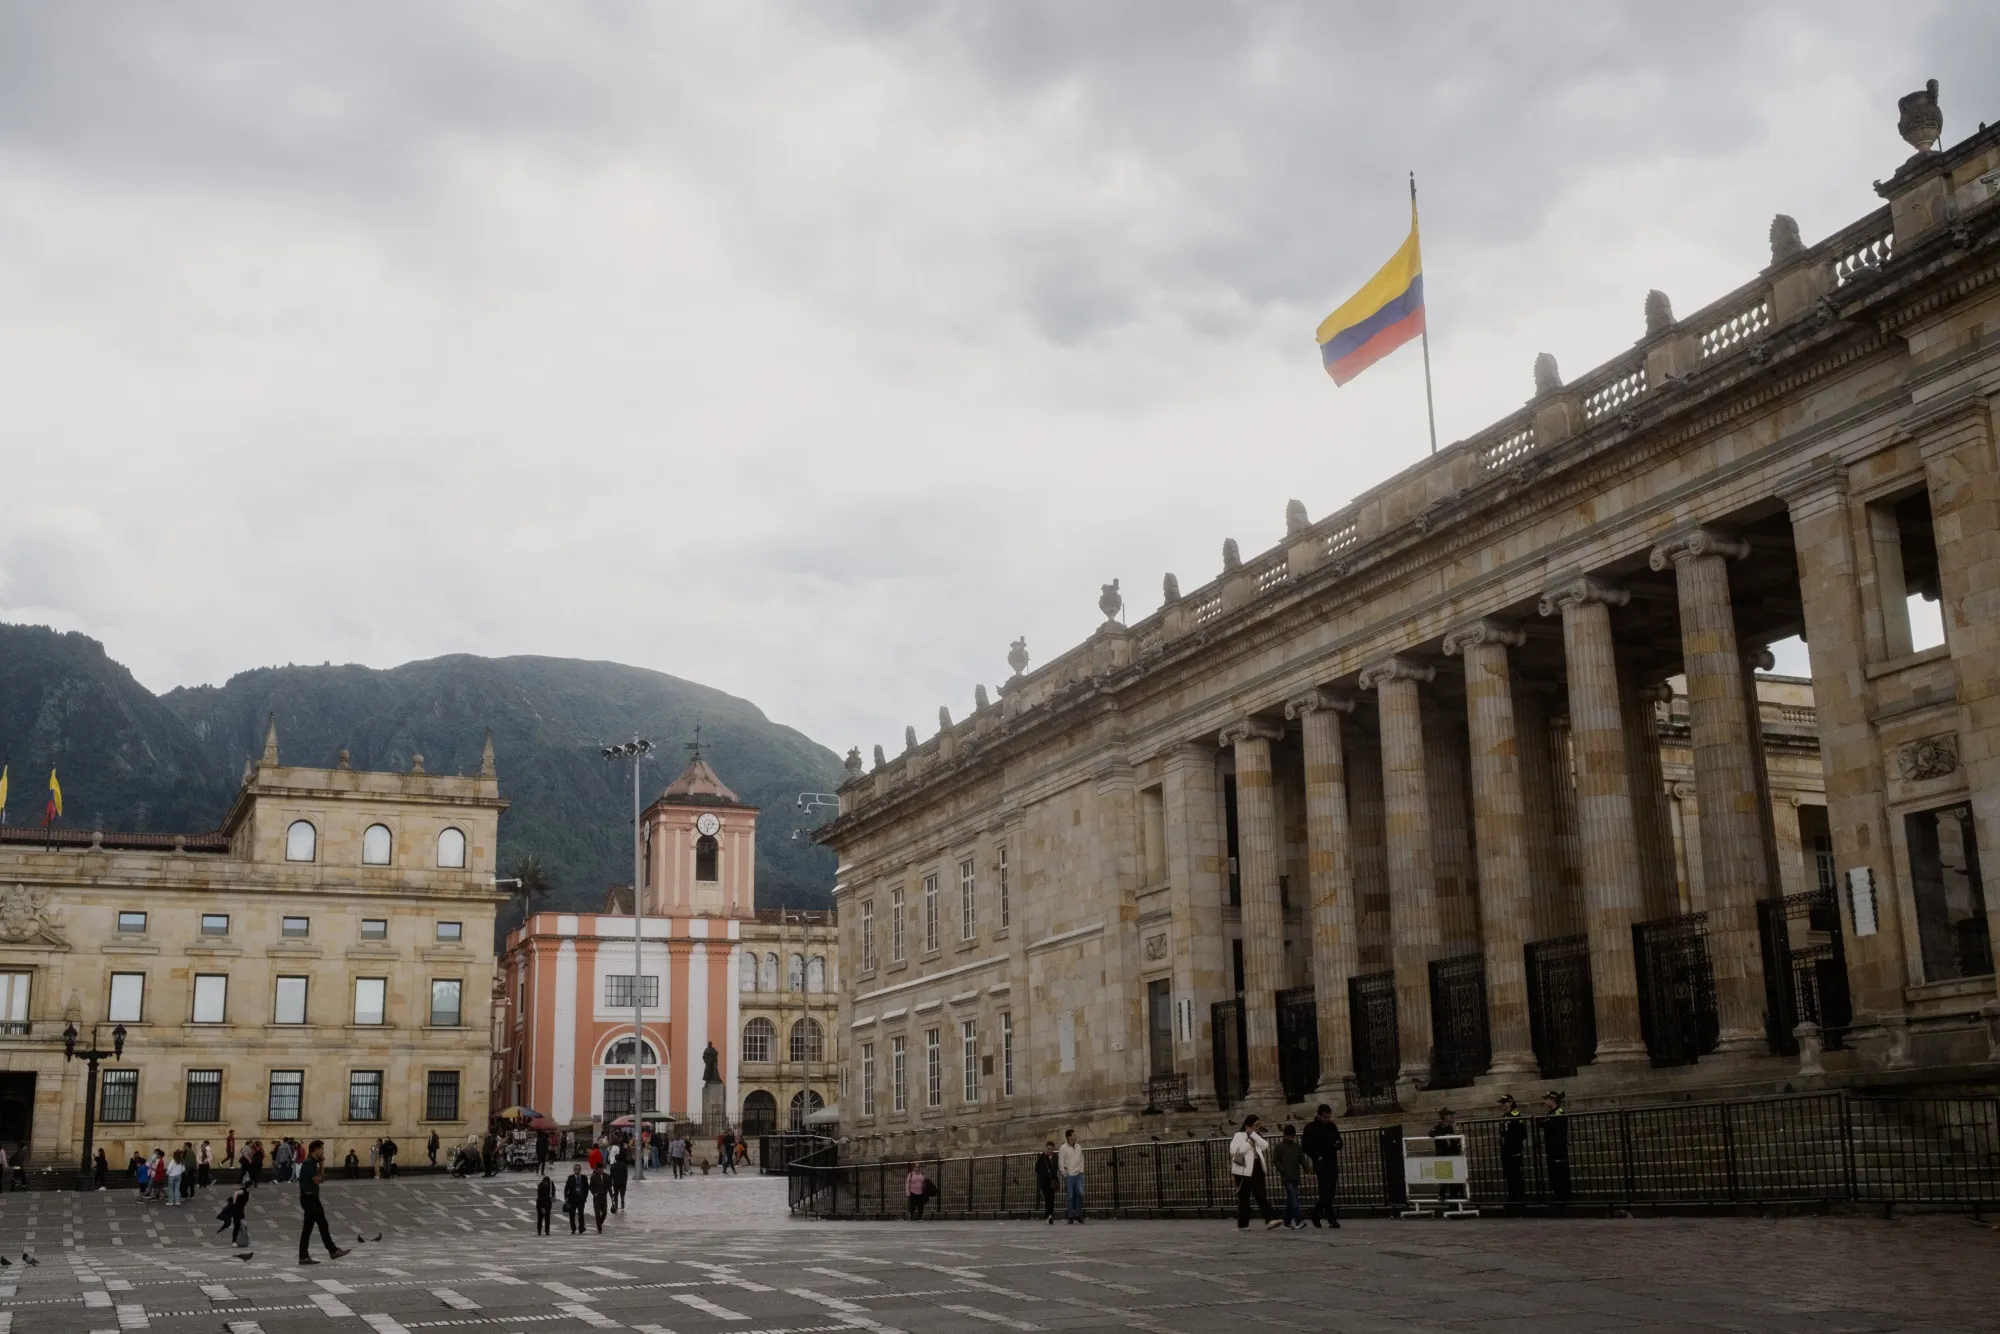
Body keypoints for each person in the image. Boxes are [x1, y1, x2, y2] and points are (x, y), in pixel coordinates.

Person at [295, 1141, 349, 1266]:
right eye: (321, 1149)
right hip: (309, 1198)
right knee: (314, 1227)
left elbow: (321, 1179)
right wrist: (321, 1166)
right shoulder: (309, 1163)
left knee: (318, 1225)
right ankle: (330, 1251)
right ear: (315, 1150)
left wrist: (322, 1164)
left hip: (311, 1198)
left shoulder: (313, 1163)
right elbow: (317, 1180)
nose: (323, 1152)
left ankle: (328, 1251)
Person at [1229, 1114, 1277, 1230]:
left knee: (1261, 1195)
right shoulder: (1239, 1135)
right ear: (1248, 1126)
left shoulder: (1256, 1135)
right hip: (1243, 1171)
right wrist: (1249, 1143)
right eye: (1256, 1125)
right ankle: (1243, 1224)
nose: (1258, 1127)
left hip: (1257, 1168)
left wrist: (1254, 1136)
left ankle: (1269, 1220)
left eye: (1259, 1125)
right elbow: (1234, 1151)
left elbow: (1265, 1145)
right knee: (1244, 1198)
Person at [1301, 1104, 1342, 1228]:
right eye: (1324, 1117)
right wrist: (1316, 1156)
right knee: (1325, 1190)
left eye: (1328, 1117)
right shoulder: (1310, 1128)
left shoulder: (1331, 1126)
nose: (1326, 1120)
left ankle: (1315, 1212)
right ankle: (1331, 1219)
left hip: (1332, 1161)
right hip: (1320, 1162)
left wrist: (1336, 1145)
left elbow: (1339, 1141)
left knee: (1330, 1190)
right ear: (1318, 1115)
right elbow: (1305, 1146)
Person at [1497, 1094, 1528, 1215]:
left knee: (1516, 1176)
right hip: (1506, 1150)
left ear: (1510, 1103)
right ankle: (1512, 1199)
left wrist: (1514, 1144)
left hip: (1514, 1150)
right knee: (1509, 1176)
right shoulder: (1503, 1116)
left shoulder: (1516, 1116)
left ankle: (1519, 1200)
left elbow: (1522, 1133)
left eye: (1504, 1102)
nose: (1502, 1105)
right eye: (1501, 1103)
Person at [1543, 1091, 1571, 1203]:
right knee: (1553, 1174)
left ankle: (1563, 1196)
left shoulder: (1559, 1112)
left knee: (1560, 1173)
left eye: (1547, 1099)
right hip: (1551, 1147)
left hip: (1558, 1148)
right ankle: (1557, 1195)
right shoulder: (1550, 1114)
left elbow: (1552, 1126)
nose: (1545, 1102)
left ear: (1552, 1100)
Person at [1058, 1128, 1087, 1224]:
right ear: (1069, 1137)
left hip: (1078, 1174)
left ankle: (1079, 1214)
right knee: (1070, 1196)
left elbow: (1081, 1159)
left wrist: (1081, 1170)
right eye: (1074, 1135)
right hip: (1069, 1175)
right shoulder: (1063, 1148)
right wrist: (1065, 1173)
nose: (1076, 1136)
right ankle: (1070, 1216)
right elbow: (1061, 1162)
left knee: (1080, 1193)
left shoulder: (1079, 1147)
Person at [216, 1185, 251, 1250]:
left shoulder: (246, 1193)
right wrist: (234, 1201)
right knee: (236, 1227)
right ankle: (234, 1242)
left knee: (238, 1227)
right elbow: (236, 1193)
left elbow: (243, 1204)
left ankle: (237, 1241)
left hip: (238, 1211)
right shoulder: (243, 1191)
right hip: (235, 1212)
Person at [1033, 1141, 1060, 1225]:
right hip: (1044, 1181)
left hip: (1053, 1180)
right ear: (1046, 1148)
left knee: (1051, 1198)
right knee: (1047, 1197)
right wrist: (1044, 1173)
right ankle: (1049, 1215)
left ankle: (1048, 1215)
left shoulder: (1056, 1157)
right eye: (1048, 1149)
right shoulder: (1042, 1157)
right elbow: (1037, 1169)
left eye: (1051, 1149)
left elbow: (1058, 1167)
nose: (1050, 1151)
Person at [563, 1163, 589, 1234]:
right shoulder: (570, 1177)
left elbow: (587, 1188)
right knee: (572, 1215)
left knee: (581, 1214)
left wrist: (585, 1197)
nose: (577, 1170)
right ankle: (573, 1228)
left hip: (581, 1199)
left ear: (580, 1170)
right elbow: (566, 1188)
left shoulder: (584, 1177)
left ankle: (581, 1228)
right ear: (574, 1170)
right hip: (572, 1199)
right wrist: (566, 1197)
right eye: (576, 1169)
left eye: (579, 1169)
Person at [588, 1163, 611, 1234]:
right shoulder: (593, 1177)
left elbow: (609, 1187)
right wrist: (594, 1193)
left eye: (602, 1169)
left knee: (604, 1212)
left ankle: (600, 1223)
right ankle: (599, 1228)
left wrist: (612, 1196)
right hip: (597, 1197)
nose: (601, 1170)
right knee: (597, 1213)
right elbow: (591, 1187)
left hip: (604, 1197)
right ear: (597, 1169)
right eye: (599, 1169)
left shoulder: (607, 1176)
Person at [535, 1170, 555, 1236]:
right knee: (544, 1218)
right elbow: (541, 1197)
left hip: (546, 1204)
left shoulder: (544, 1185)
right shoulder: (546, 1185)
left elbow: (552, 1193)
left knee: (543, 1218)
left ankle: (542, 1231)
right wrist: (542, 1207)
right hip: (542, 1204)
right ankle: (544, 1231)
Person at [608, 1150, 628, 1214]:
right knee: (622, 1194)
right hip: (623, 1182)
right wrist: (625, 1180)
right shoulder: (624, 1165)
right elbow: (626, 1174)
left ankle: (616, 1206)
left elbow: (611, 1175)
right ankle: (622, 1203)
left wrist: (610, 1182)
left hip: (615, 1182)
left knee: (616, 1194)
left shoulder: (613, 1166)